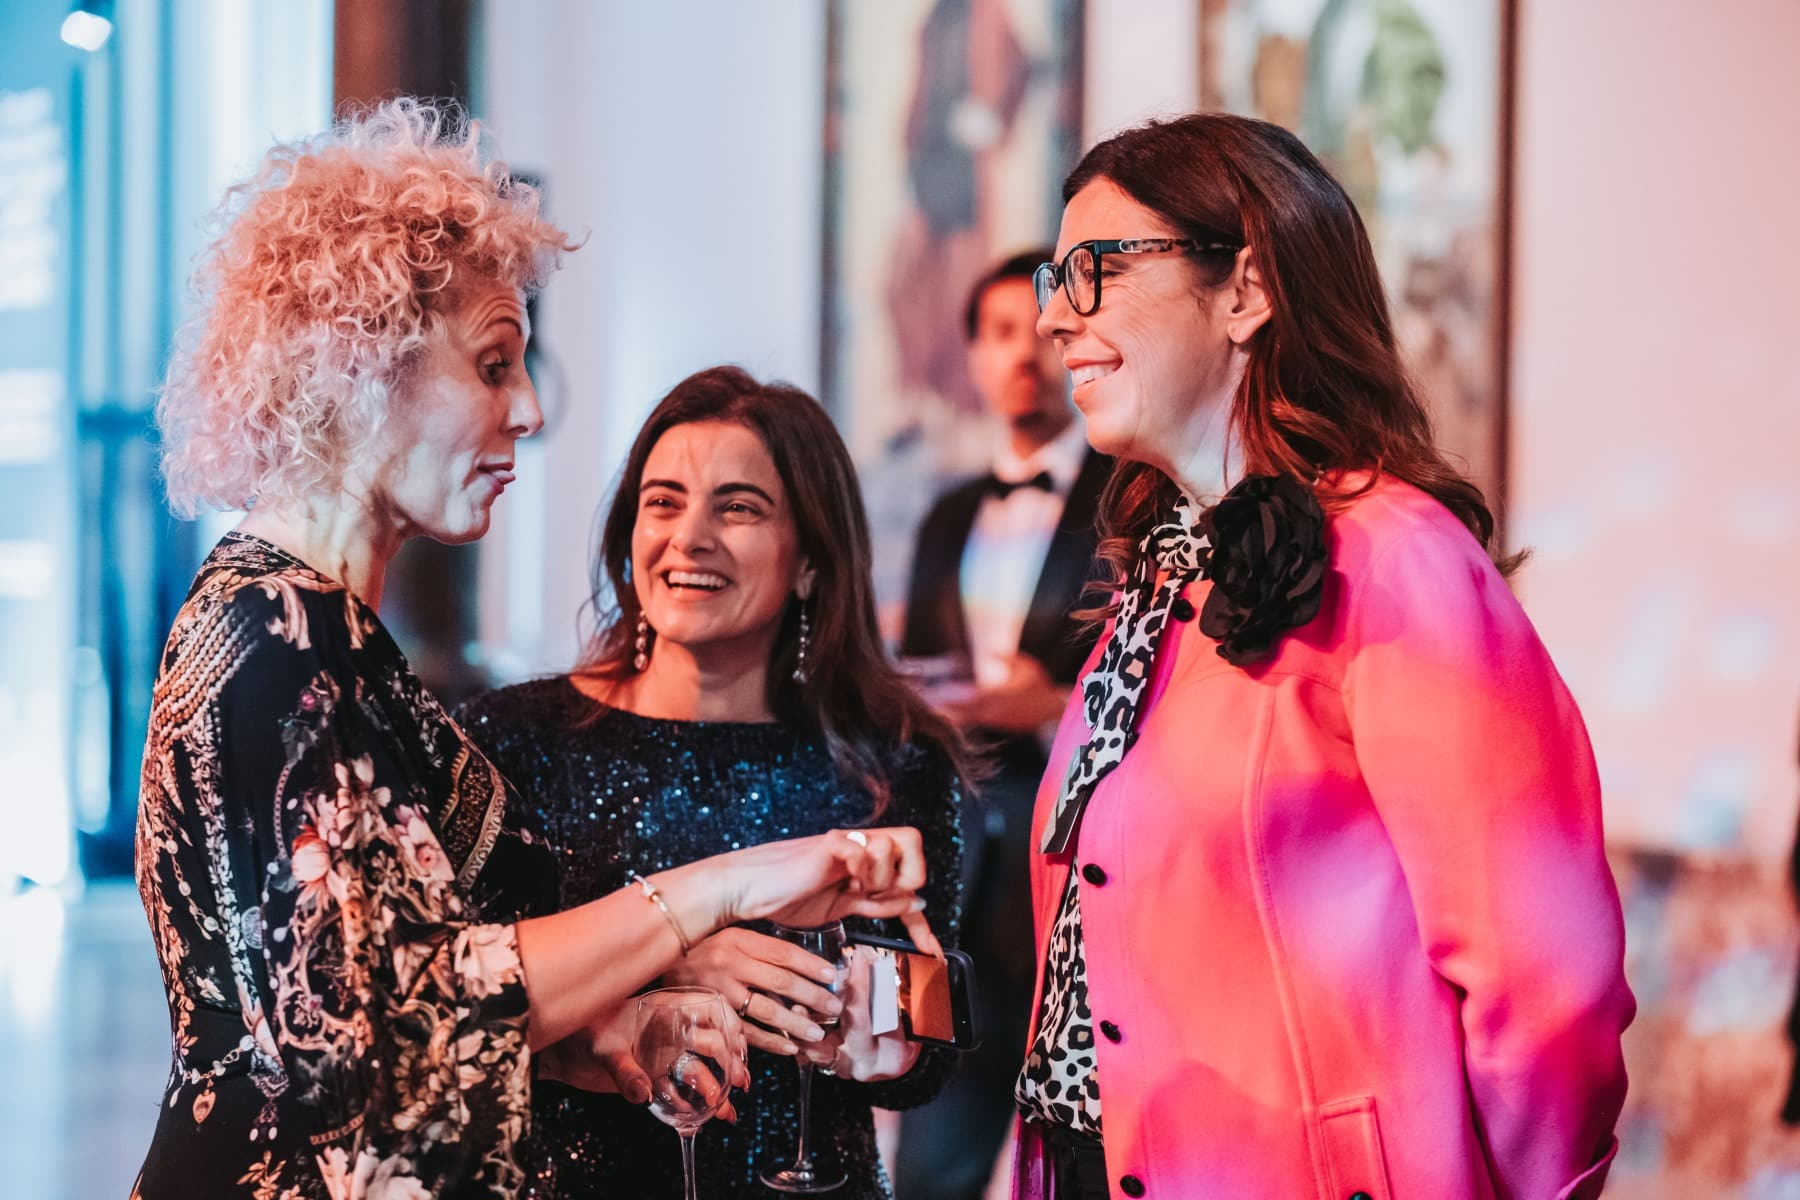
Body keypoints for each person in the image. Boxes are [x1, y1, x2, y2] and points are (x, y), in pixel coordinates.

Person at [136, 101, 938, 1200]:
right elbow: (369, 1035)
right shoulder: (278, 638)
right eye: (493, 364)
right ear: (363, 364)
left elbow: (420, 982)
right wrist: (722, 889)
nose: (525, 410)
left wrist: (597, 1037)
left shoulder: (332, 636)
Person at [1011, 112, 1635, 1199]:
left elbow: (1547, 979)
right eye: (1054, 280)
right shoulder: (1157, 582)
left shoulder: (1397, 560)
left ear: (1246, 291)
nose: (1056, 317)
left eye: (1096, 270)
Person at [456, 365, 969, 1199]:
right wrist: (669, 976)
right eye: (663, 502)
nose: (690, 536)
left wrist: (884, 1022)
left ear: (810, 562)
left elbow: (927, 1057)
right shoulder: (508, 738)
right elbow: (453, 1015)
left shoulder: (893, 761)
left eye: (739, 508)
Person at [892, 250, 1109, 1200]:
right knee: (933, 1156)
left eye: (1040, 333)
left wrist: (1053, 709)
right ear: (975, 356)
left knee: (1081, 1155)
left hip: (1074, 853)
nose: (1023, 356)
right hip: (958, 861)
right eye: (1000, 334)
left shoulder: (1128, 499)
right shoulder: (945, 516)